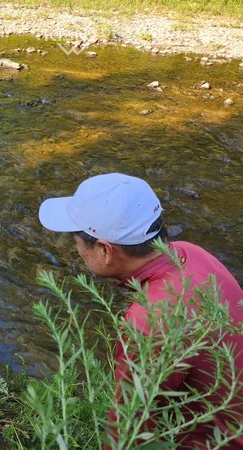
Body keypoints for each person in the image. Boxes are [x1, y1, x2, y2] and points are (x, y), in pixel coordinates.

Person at [38, 172, 243, 448]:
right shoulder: (190, 252)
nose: (76, 248)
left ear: (104, 250)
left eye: (76, 238)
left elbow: (127, 434)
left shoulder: (147, 325)